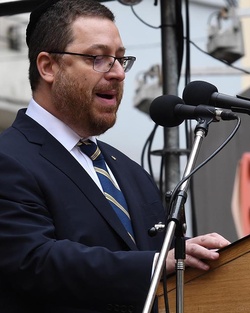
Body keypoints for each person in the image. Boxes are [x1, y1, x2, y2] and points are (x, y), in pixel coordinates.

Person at [0, 0, 230, 312]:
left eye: (121, 59)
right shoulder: (9, 158)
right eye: (99, 59)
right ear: (48, 66)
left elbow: (163, 267)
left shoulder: (130, 172)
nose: (119, 73)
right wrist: (155, 263)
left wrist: (194, 257)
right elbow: (33, 260)